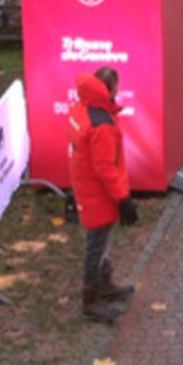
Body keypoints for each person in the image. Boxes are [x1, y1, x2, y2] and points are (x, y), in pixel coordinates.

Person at [67, 67, 139, 322]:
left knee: (100, 242)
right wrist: (124, 199)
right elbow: (106, 168)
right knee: (97, 245)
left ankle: (103, 286)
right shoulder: (102, 125)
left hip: (87, 188)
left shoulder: (82, 110)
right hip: (100, 194)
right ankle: (91, 298)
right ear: (112, 89)